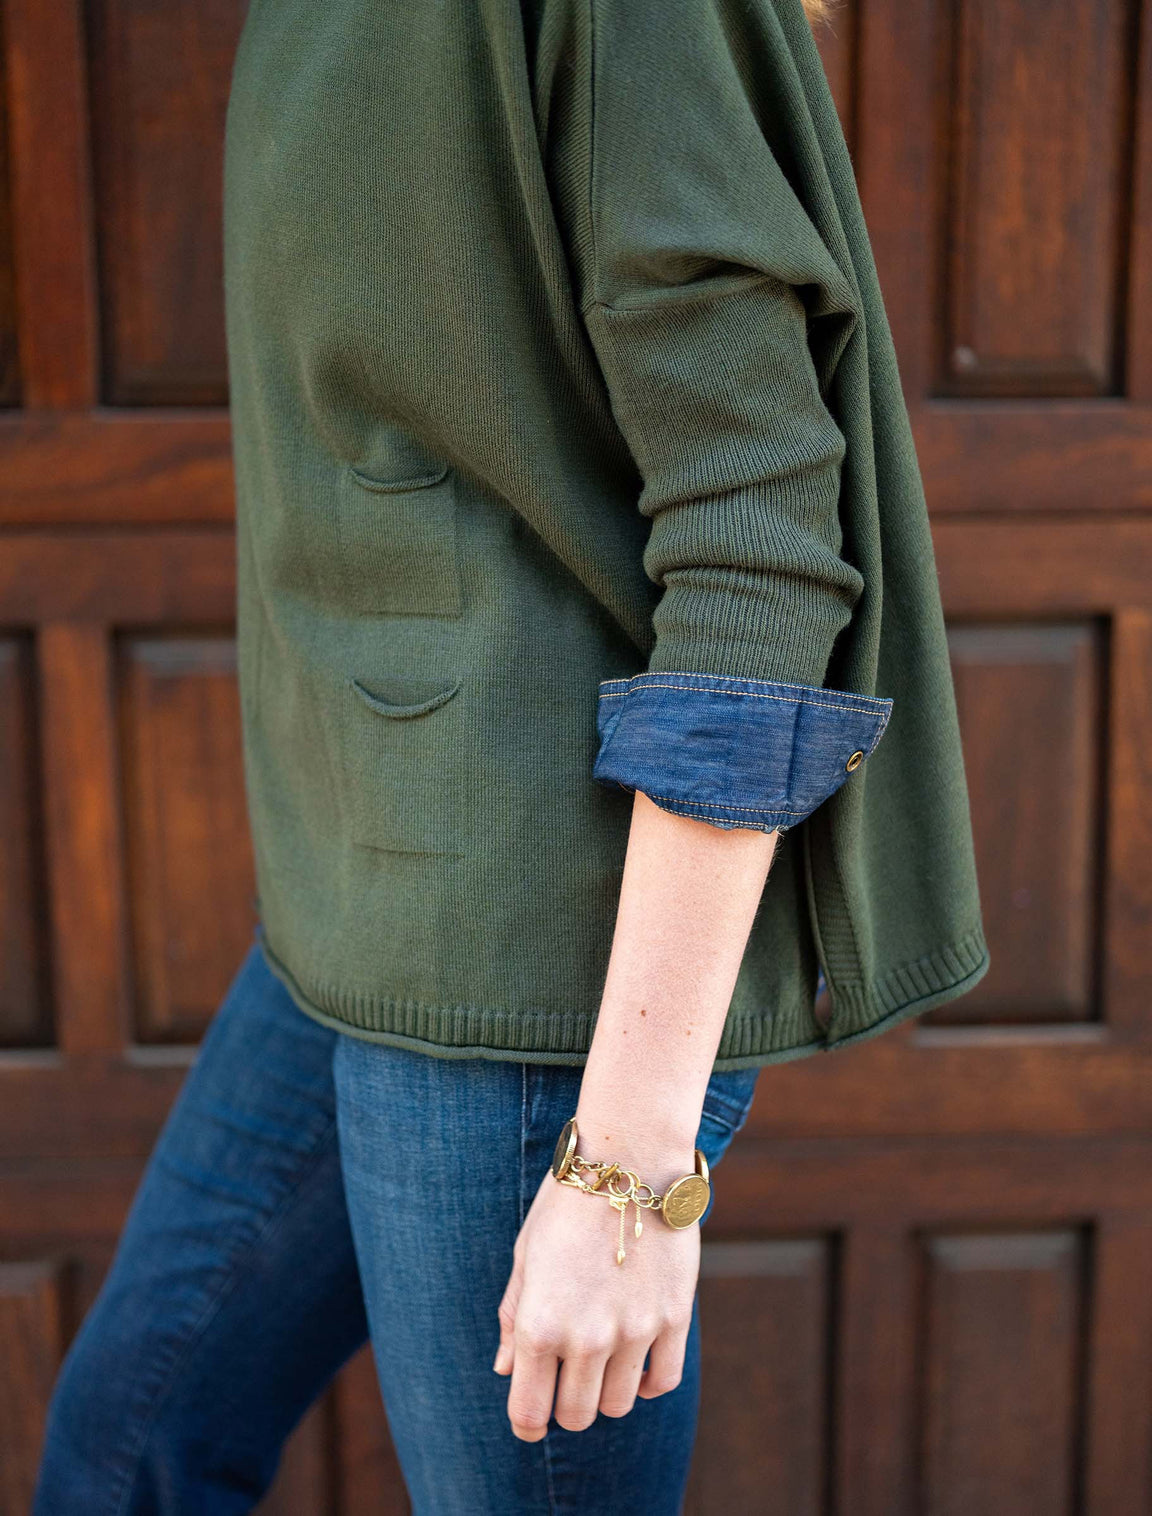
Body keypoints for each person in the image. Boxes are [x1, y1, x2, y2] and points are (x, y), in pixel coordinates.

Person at [33, 0, 989, 1511]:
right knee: (128, 1445)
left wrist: (625, 1168)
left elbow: (763, 549)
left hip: (545, 964)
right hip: (354, 896)